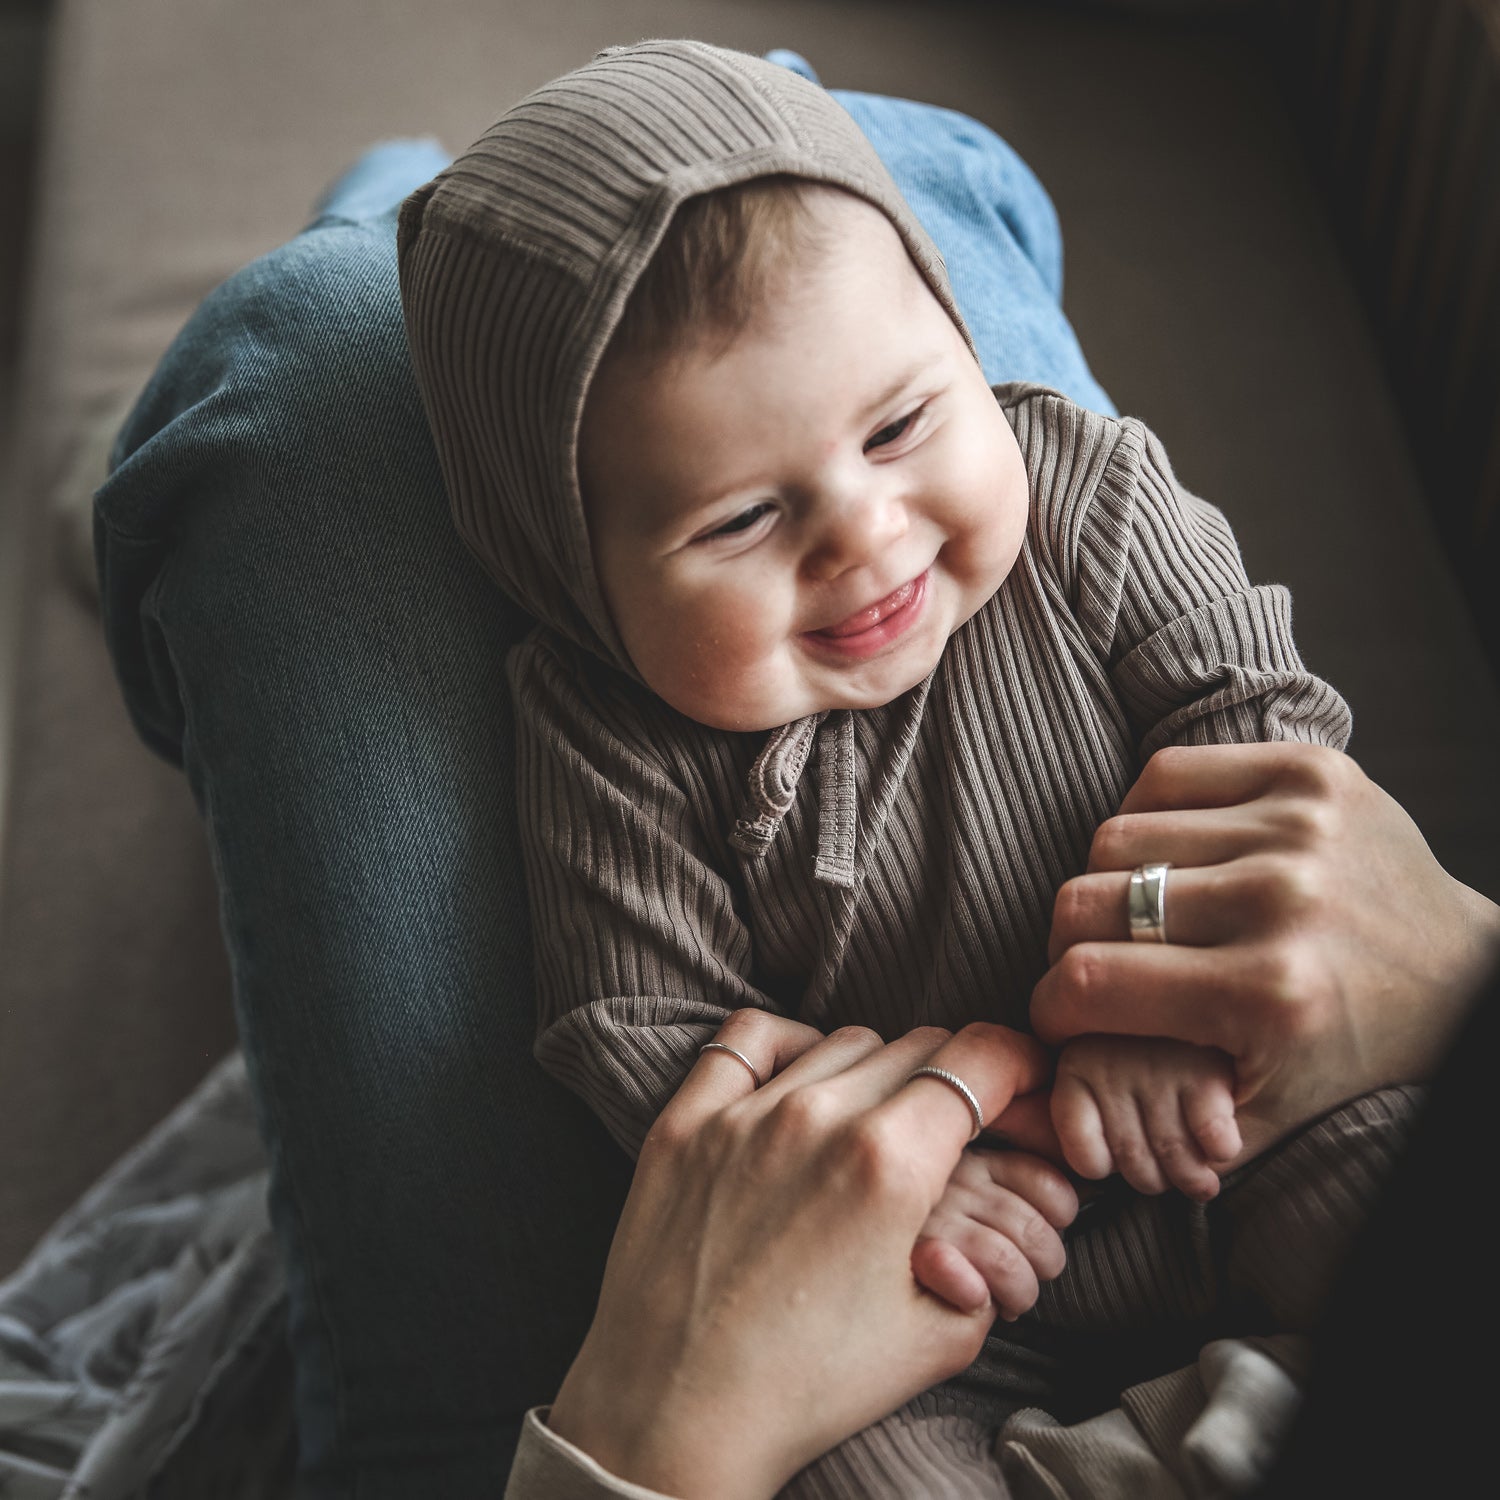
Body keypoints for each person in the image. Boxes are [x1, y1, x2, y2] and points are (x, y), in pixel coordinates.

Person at [93, 50, 1500, 1499]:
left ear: (965, 352)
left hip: (1223, 1123)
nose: (862, 534)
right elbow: (641, 1017)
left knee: (1392, 1173)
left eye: (902, 427)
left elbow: (1255, 714)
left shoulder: (1081, 483)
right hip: (929, 1261)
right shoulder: (607, 728)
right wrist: (919, 1194)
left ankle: (439, 193)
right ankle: (485, 189)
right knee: (846, 1457)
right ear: (572, 583)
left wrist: (1164, 996)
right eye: (744, 518)